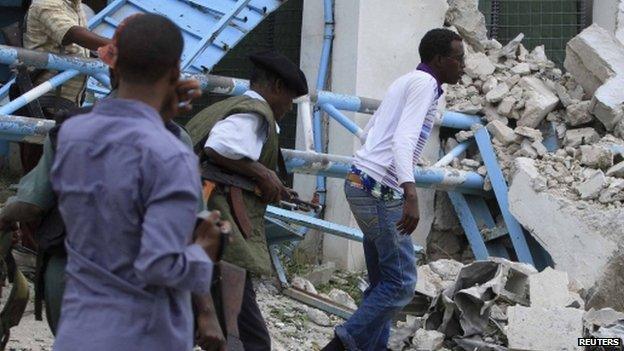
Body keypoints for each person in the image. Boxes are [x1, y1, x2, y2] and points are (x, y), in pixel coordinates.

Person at [48, 14, 220, 351]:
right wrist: (203, 252)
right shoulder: (171, 156)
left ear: (114, 66)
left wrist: (158, 115)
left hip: (78, 332)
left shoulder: (71, 135)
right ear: (174, 72)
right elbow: (159, 265)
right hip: (143, 336)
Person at [322, 28, 465, 351]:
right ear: (440, 60)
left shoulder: (407, 81)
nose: (464, 65)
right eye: (459, 59)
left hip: (360, 183)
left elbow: (369, 132)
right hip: (379, 192)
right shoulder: (426, 85)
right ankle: (338, 346)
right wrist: (410, 193)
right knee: (400, 284)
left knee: (383, 282)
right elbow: (403, 140)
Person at [185, 50, 308, 350]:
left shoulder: (229, 106)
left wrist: (267, 180)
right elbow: (219, 148)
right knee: (250, 339)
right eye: (290, 98)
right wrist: (263, 173)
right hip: (218, 238)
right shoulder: (254, 113)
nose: (290, 108)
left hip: (194, 229)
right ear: (277, 87)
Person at [18, 0, 110, 172]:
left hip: (65, 99)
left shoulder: (74, 5)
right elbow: (73, 35)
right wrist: (121, 46)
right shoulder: (47, 3)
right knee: (42, 170)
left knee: (59, 170)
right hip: (45, 99)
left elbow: (78, 47)